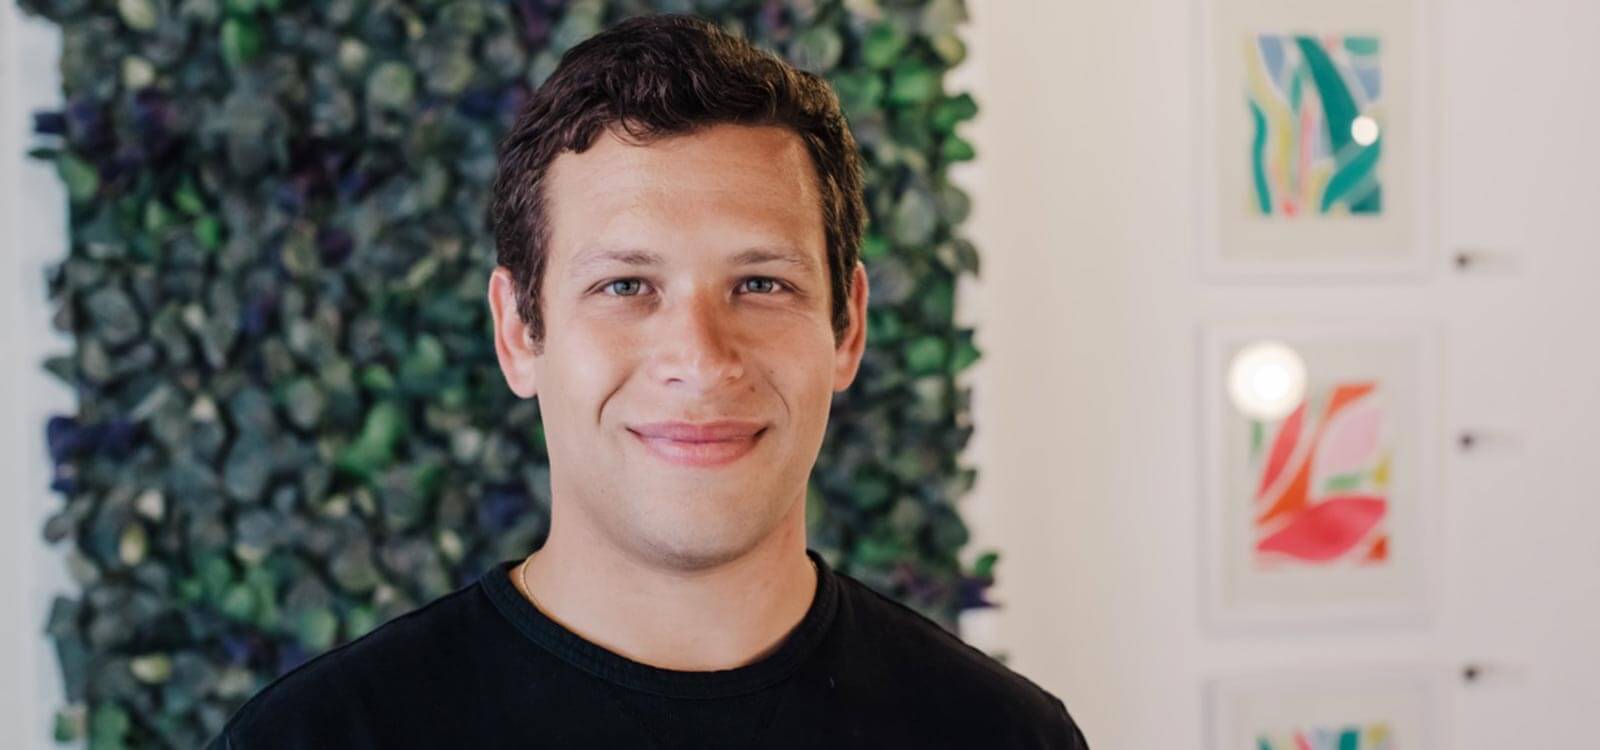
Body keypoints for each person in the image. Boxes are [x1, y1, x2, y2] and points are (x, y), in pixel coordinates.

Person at [207, 12, 1088, 749]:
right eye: (625, 286)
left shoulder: (1004, 737)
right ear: (519, 332)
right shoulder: (315, 740)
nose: (701, 358)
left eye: (761, 284)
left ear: (847, 327)